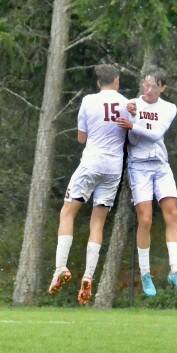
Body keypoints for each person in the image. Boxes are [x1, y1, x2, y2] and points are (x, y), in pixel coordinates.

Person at [48, 64, 131, 304]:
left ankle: (60, 267)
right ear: (116, 80)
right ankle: (88, 276)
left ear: (98, 83)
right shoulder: (127, 104)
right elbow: (130, 135)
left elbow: (81, 138)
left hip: (91, 164)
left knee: (67, 213)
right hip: (113, 168)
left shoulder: (88, 101)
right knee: (98, 221)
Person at [116, 68, 177, 296]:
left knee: (172, 215)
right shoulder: (132, 104)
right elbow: (126, 131)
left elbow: (156, 134)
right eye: (145, 85)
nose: (147, 90)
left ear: (162, 88)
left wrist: (134, 125)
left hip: (160, 165)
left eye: (153, 87)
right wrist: (129, 116)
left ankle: (175, 271)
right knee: (145, 219)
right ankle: (146, 274)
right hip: (139, 166)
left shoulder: (169, 108)